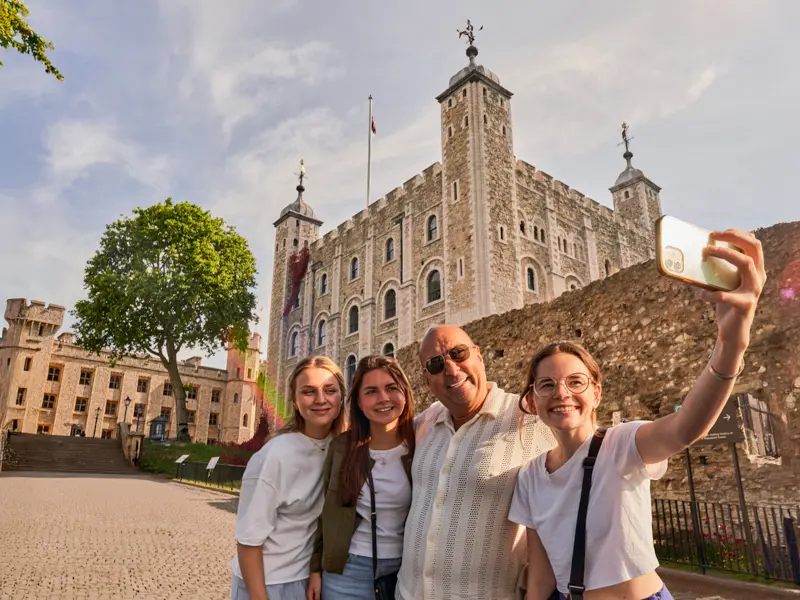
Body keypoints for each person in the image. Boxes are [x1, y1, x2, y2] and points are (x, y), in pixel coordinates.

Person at [509, 229, 766, 600]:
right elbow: (541, 577)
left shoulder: (622, 444)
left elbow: (684, 428)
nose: (561, 393)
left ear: (596, 393)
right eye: (546, 385)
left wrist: (731, 345)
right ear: (532, 400)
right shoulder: (531, 477)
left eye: (575, 382)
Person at [395, 325, 556, 600]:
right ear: (426, 378)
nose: (451, 369)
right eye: (436, 364)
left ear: (478, 355)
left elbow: (586, 464)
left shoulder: (529, 420)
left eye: (459, 353)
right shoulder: (426, 423)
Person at [231, 356, 346, 600]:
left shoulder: (338, 448)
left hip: (308, 581)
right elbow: (249, 541)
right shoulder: (275, 455)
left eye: (330, 390)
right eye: (308, 392)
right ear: (294, 399)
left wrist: (315, 572)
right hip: (269, 583)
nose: (320, 399)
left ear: (341, 396)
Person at [308, 355, 416, 599]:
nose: (383, 398)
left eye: (391, 388)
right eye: (371, 391)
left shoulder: (423, 444)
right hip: (348, 570)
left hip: (407, 571)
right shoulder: (342, 447)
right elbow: (325, 512)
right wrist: (315, 569)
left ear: (405, 393)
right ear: (358, 401)